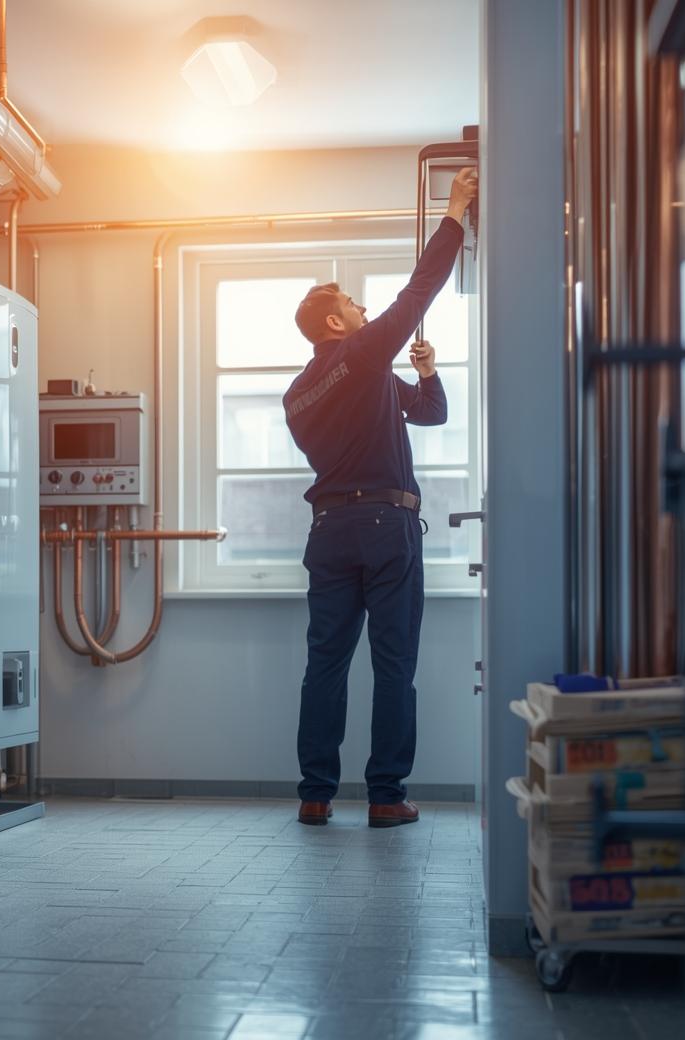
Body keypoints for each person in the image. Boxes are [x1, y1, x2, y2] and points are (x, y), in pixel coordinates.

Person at [284, 166, 478, 827]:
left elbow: (428, 412)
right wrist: (454, 211)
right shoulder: (362, 356)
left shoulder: (302, 392)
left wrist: (427, 373)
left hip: (329, 532)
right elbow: (419, 291)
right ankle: (386, 799)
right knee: (394, 665)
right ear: (335, 321)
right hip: (385, 527)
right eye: (354, 305)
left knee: (325, 664)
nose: (366, 311)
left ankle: (315, 794)